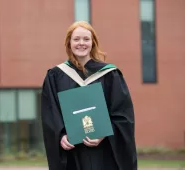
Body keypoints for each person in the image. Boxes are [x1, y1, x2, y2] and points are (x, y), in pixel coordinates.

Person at [41, 21, 137, 170]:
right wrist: (60, 136)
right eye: (76, 39)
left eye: (86, 39)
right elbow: (50, 113)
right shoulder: (55, 76)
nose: (81, 43)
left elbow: (123, 113)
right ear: (69, 43)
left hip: (104, 153)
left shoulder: (110, 74)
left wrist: (104, 134)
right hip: (73, 153)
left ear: (93, 43)